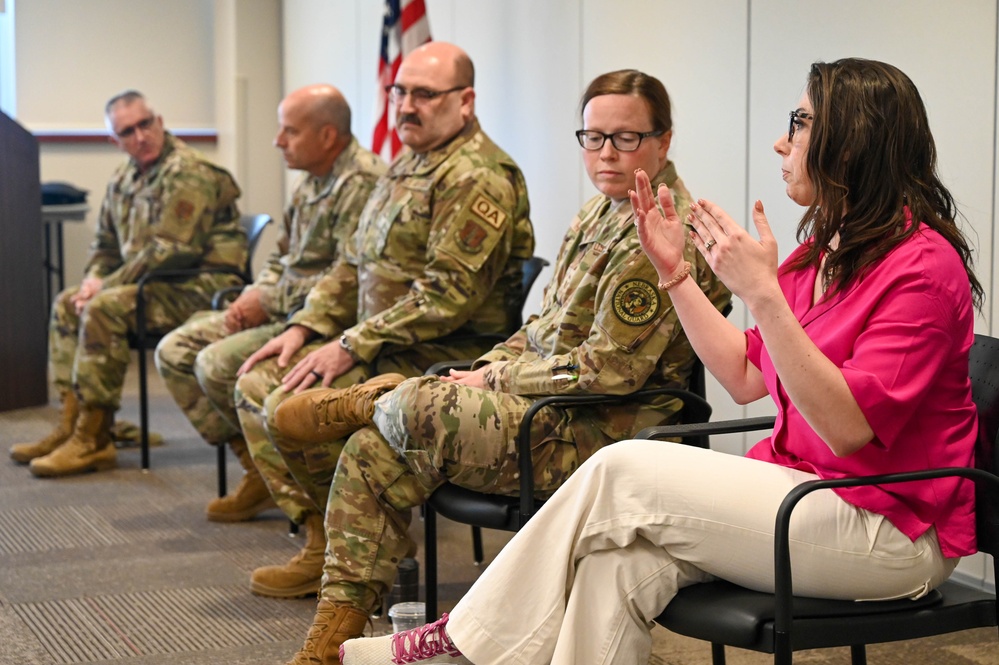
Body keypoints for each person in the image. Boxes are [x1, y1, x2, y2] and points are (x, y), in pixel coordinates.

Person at [339, 57, 984, 665]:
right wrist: (676, 275)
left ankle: (457, 638)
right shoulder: (824, 252)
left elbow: (847, 429)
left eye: (800, 125)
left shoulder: (923, 268)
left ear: (852, 143)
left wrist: (761, 295)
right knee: (610, 566)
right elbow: (745, 375)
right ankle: (474, 642)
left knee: (622, 468)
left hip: (887, 528)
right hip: (803, 495)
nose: (782, 146)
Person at [283, 69, 730, 663]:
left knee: (420, 406)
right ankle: (332, 639)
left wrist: (490, 378)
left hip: (608, 429)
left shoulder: (662, 232)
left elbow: (607, 374)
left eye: (626, 138)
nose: (605, 153)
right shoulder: (597, 214)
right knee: (370, 451)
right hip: (547, 408)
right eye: (593, 137)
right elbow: (542, 331)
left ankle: (377, 396)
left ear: (663, 141)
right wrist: (490, 365)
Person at [231, 41, 535, 602]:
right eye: (399, 91)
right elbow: (354, 262)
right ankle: (333, 539)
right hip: (377, 342)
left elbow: (447, 297)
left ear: (465, 102)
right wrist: (306, 326)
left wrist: (350, 344)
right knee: (258, 383)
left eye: (424, 93)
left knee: (285, 404)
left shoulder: (478, 176)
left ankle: (366, 548)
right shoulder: (408, 159)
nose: (406, 105)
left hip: (442, 357)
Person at [153, 84, 385, 522]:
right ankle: (260, 469)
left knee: (218, 365)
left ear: (328, 137)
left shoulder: (363, 183)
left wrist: (270, 298)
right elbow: (283, 256)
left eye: (289, 131)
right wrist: (255, 292)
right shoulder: (311, 178)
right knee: (176, 352)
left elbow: (349, 278)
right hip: (285, 310)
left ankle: (308, 510)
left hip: (327, 323)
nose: (278, 141)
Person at [10, 90, 247, 478]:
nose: (140, 136)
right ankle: (75, 423)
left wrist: (103, 289)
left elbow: (171, 251)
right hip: (150, 285)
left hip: (200, 285)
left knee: (104, 308)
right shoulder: (124, 177)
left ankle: (93, 439)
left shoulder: (189, 171)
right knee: (67, 303)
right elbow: (105, 244)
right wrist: (92, 280)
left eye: (145, 124)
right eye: (127, 131)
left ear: (160, 121)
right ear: (114, 141)